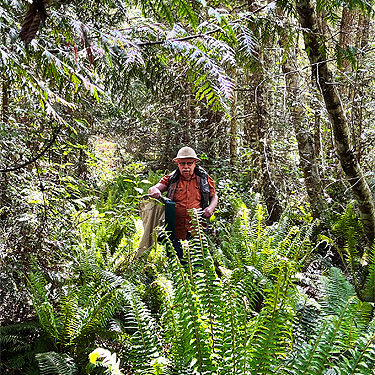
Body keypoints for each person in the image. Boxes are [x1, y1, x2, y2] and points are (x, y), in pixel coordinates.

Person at [148, 146, 218, 259]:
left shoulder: (203, 179)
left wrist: (210, 208)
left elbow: (214, 196)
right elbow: (153, 188)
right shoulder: (172, 179)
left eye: (189, 163)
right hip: (175, 229)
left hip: (197, 229)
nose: (186, 167)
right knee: (176, 260)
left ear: (195, 163)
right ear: (178, 164)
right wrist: (155, 191)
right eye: (182, 163)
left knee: (197, 261)